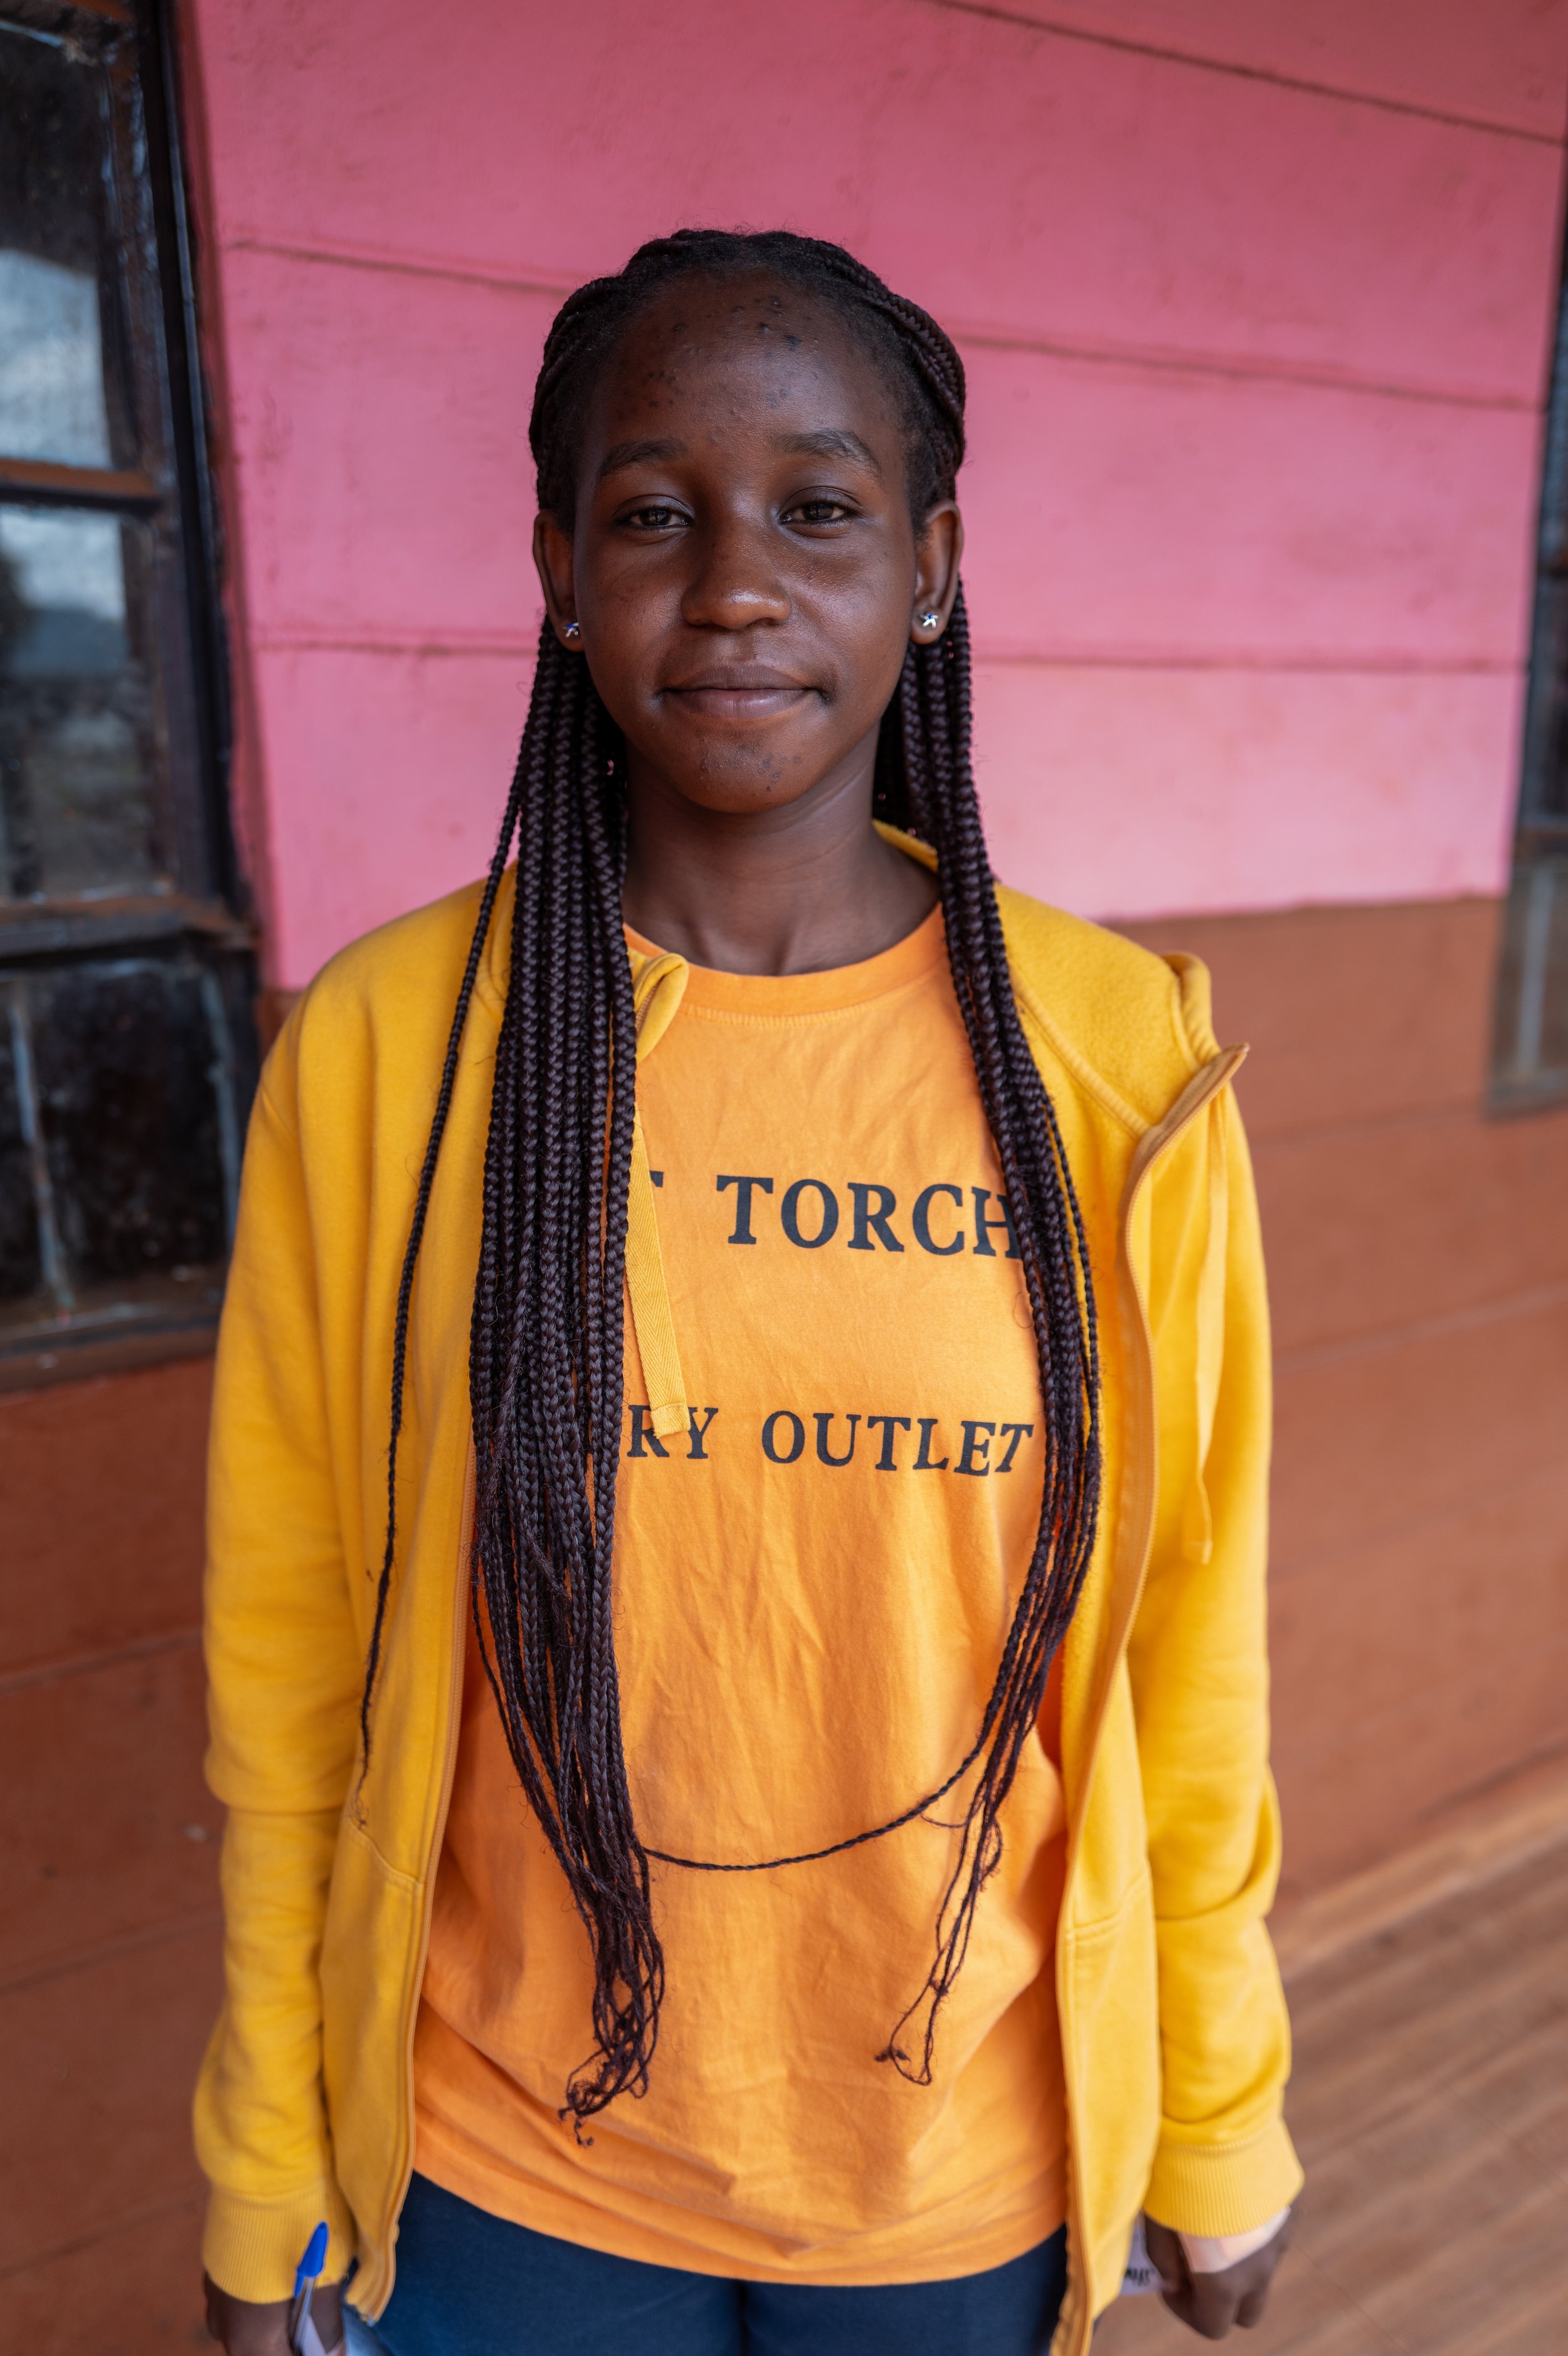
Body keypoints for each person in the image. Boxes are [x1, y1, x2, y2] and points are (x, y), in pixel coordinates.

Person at [197, 230, 1300, 2356]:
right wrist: (263, 2157)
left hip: (952, 2173)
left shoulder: (1117, 1061)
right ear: (553, 566)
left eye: (817, 507)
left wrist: (1219, 2116)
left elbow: (1188, 1655)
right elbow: (288, 1661)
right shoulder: (396, 1048)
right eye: (649, 513)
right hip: (503, 2161)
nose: (731, 584)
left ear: (934, 561)